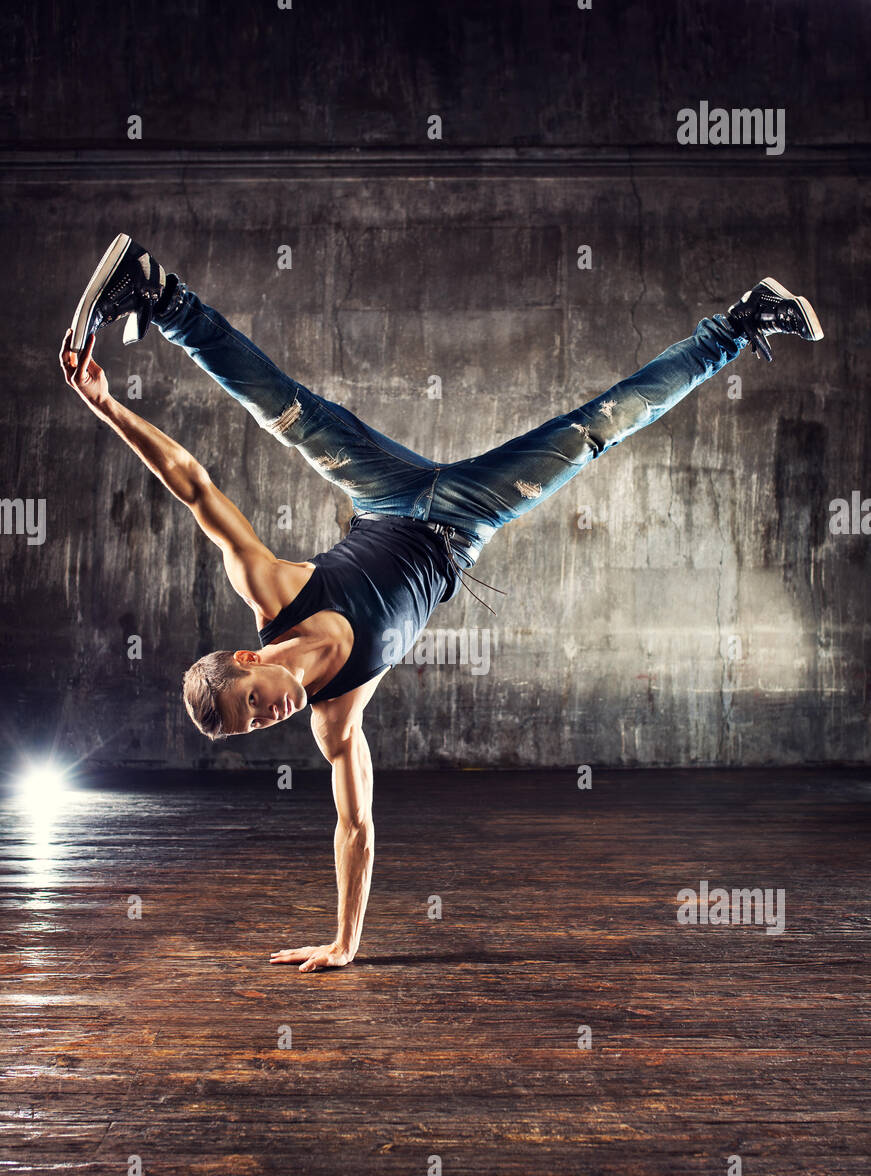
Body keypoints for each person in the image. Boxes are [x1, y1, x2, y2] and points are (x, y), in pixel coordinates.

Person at [60, 234, 824, 972]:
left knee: (285, 412)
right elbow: (354, 828)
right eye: (254, 727)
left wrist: (107, 407)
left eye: (252, 702)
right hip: (464, 521)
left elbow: (192, 486)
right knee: (597, 429)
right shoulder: (338, 717)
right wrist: (345, 942)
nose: (268, 719)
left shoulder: (274, 595)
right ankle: (744, 320)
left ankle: (157, 293)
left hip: (385, 494)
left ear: (249, 661)